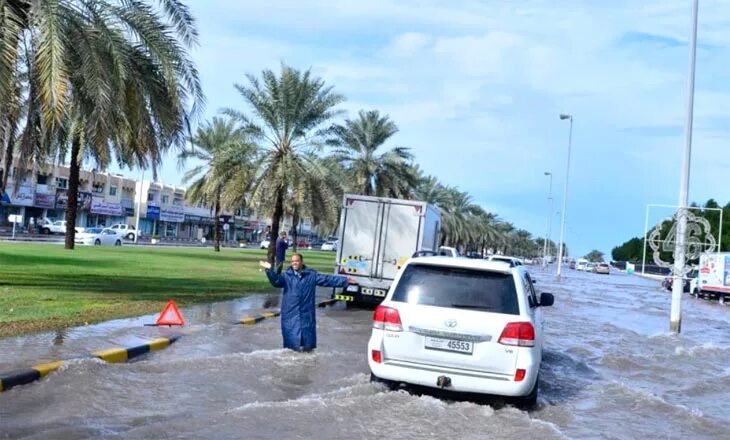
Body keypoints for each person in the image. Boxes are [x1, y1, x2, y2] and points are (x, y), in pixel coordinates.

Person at [260, 253, 356, 352]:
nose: (294, 263)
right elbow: (276, 281)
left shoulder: (311, 275)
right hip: (290, 313)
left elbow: (327, 280)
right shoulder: (286, 276)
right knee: (291, 344)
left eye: (296, 261)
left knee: (307, 343)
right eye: (292, 261)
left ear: (301, 262)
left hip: (306, 313)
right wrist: (269, 270)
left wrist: (345, 281)